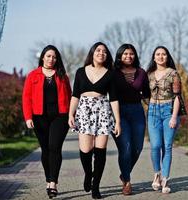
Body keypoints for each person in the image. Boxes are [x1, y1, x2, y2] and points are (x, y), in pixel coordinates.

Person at [68, 42, 121, 199]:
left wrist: (117, 121)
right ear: (92, 53)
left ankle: (96, 186)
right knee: (85, 151)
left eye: (104, 51)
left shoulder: (110, 73)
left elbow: (114, 99)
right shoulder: (80, 72)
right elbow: (75, 95)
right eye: (98, 50)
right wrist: (71, 114)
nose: (101, 53)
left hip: (103, 111)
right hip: (84, 111)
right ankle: (88, 174)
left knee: (100, 151)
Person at [22, 45, 72, 198]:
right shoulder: (33, 75)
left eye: (54, 57)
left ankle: (53, 183)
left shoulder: (62, 75)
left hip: (60, 116)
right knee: (45, 149)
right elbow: (26, 97)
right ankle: (48, 179)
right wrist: (28, 117)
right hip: (39, 117)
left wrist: (71, 115)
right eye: (49, 56)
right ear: (43, 57)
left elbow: (70, 97)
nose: (51, 59)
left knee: (54, 147)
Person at [112, 44, 150, 195]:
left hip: (137, 111)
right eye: (125, 54)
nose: (129, 56)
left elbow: (146, 92)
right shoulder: (113, 73)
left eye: (131, 54)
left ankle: (123, 173)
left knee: (138, 147)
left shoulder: (141, 72)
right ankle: (126, 181)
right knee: (126, 148)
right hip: (118, 112)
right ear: (120, 56)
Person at [146, 46, 182, 194]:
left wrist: (174, 116)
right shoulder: (148, 75)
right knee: (155, 145)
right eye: (158, 54)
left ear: (167, 57)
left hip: (169, 111)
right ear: (154, 58)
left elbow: (178, 97)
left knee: (167, 146)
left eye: (163, 54)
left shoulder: (173, 74)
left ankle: (165, 179)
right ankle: (157, 174)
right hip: (153, 112)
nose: (161, 57)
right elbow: (143, 94)